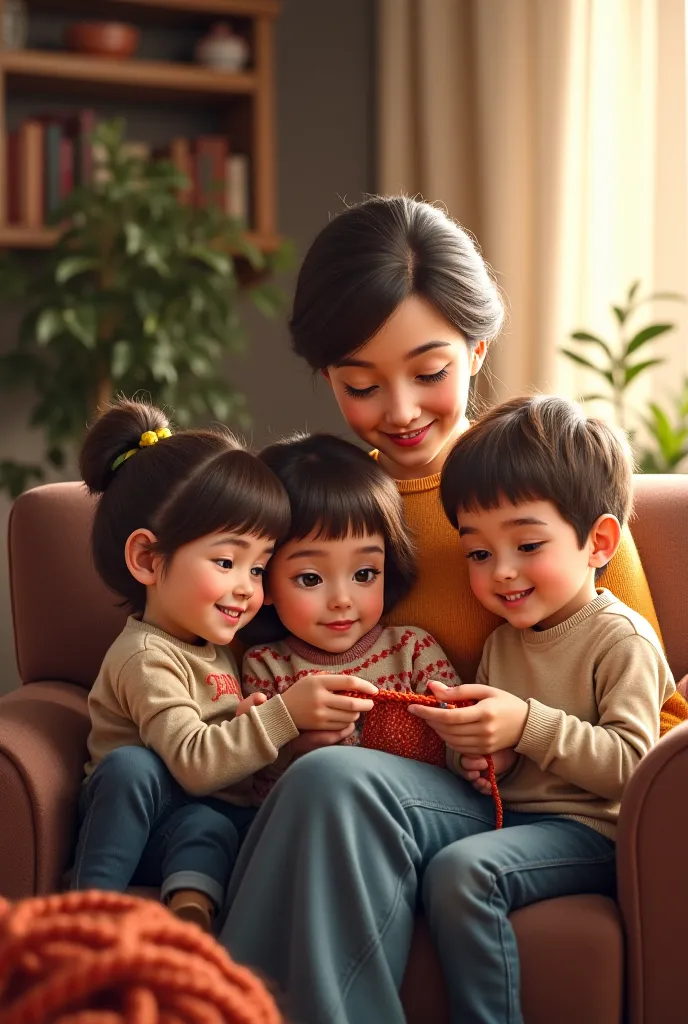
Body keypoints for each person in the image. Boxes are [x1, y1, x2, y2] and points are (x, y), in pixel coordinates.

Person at [219, 196, 687, 1020]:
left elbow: (656, 704)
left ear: (477, 349)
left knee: (337, 784)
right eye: (361, 385)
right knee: (324, 780)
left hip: (511, 796)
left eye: (429, 374)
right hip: (403, 786)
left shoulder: (544, 493)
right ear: (326, 374)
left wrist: (521, 740)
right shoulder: (311, 499)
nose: (399, 410)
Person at [71, 398, 375, 933]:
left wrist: (252, 722)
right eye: (226, 562)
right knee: (133, 767)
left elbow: (220, 760)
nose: (247, 588)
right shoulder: (147, 655)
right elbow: (192, 761)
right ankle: (87, 913)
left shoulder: (218, 647)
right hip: (138, 821)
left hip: (194, 820)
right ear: (147, 559)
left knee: (212, 825)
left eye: (259, 568)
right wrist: (281, 715)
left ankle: (192, 915)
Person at [240, 433, 507, 803]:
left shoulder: (412, 650)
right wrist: (292, 747)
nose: (342, 601)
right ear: (263, 579)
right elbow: (251, 779)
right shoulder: (266, 666)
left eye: (364, 574)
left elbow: (458, 733)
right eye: (310, 579)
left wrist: (473, 759)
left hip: (414, 813)